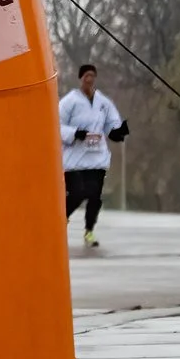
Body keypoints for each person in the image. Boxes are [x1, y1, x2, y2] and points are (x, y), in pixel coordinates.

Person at [60, 62, 125, 248]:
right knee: (78, 193)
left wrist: (116, 132)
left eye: (92, 76)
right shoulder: (69, 102)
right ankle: (61, 219)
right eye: (86, 76)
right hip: (74, 160)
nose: (89, 80)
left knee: (95, 196)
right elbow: (56, 125)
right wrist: (75, 133)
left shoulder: (103, 103)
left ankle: (89, 231)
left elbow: (112, 122)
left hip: (96, 158)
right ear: (80, 78)